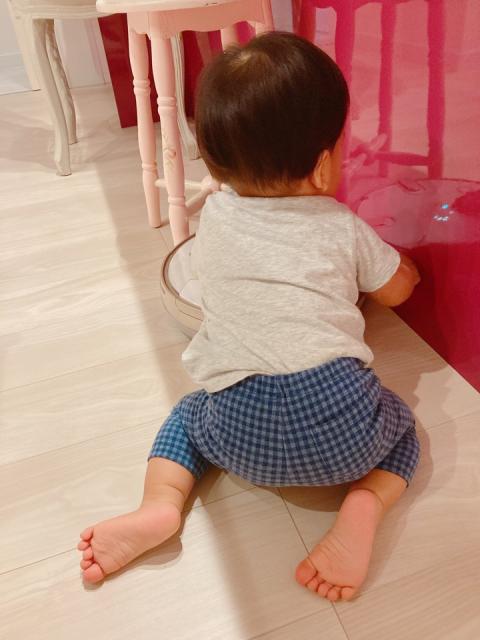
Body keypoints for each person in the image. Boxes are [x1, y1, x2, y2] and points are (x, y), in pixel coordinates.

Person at [78, 32, 421, 602]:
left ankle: (161, 505)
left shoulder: (214, 219)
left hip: (238, 437)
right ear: (321, 168)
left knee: (188, 414)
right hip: (346, 437)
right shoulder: (341, 227)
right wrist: (404, 267)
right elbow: (396, 293)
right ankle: (365, 501)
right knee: (404, 426)